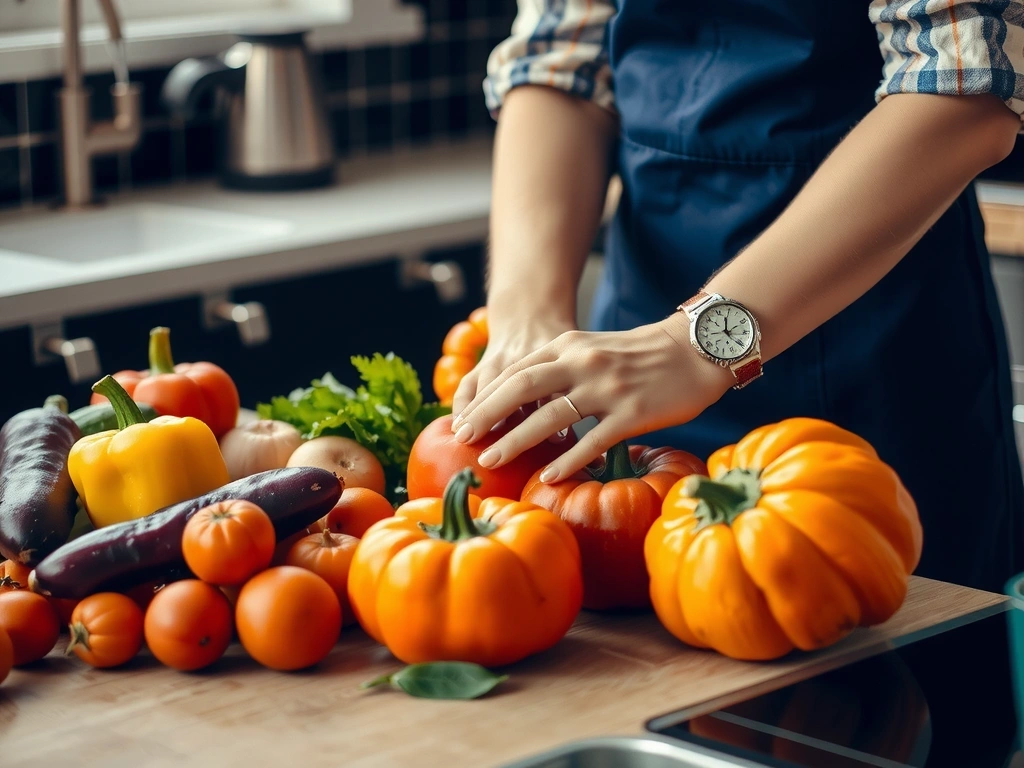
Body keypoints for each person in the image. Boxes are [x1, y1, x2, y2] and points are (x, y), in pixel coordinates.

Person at [449, 0, 1024, 594]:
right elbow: (558, 59)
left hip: (871, 358)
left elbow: (967, 88)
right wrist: (525, 315)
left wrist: (691, 343)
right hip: (629, 346)